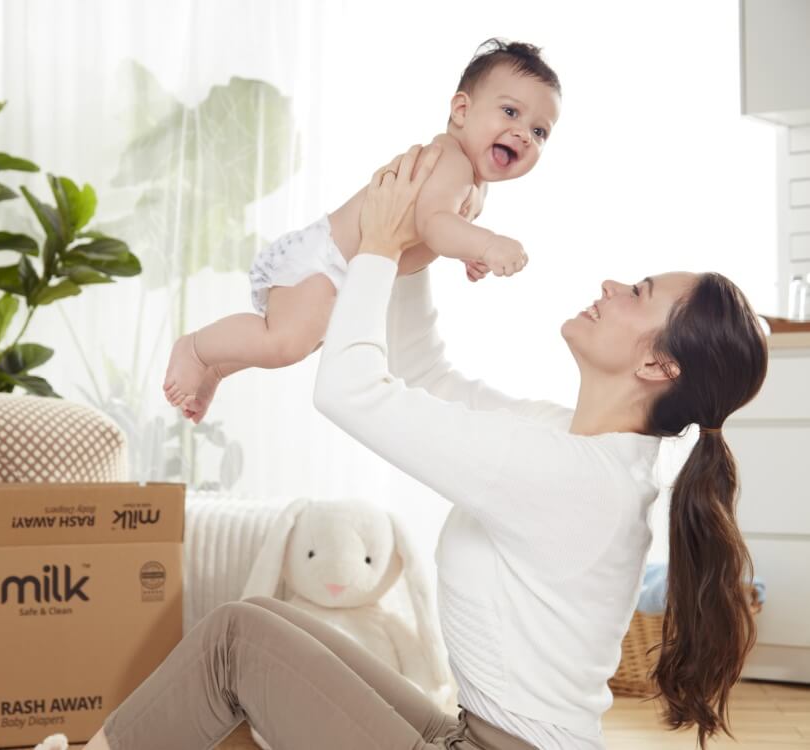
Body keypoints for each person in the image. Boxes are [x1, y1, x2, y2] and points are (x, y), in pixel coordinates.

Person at [85, 145, 767, 750]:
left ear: (658, 366)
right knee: (261, 618)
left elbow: (351, 392)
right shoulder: (566, 443)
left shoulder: (571, 474)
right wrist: (414, 246)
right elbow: (426, 376)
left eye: (639, 294)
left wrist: (377, 246)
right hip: (470, 734)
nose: (613, 285)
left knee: (235, 642)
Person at [163, 39, 562, 424]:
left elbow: (442, 228)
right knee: (284, 343)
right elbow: (434, 224)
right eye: (510, 112)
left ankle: (216, 370)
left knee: (293, 344)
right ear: (461, 109)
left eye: (540, 132)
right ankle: (196, 349)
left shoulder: (475, 184)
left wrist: (469, 253)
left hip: (345, 277)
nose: (524, 134)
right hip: (325, 260)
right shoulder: (451, 162)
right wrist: (488, 244)